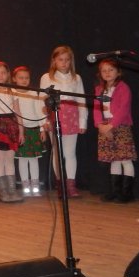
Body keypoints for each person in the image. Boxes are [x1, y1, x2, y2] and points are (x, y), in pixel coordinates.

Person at [40, 45, 88, 199]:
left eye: (67, 60)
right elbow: (41, 101)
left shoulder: (76, 78)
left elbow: (81, 100)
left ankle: (71, 185)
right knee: (57, 152)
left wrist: (83, 122)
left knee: (70, 153)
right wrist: (44, 121)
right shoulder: (46, 77)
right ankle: (60, 184)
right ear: (54, 60)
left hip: (72, 116)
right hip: (54, 115)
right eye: (60, 59)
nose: (64, 63)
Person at [93, 58, 138, 203]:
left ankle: (127, 193)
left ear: (118, 72)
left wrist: (111, 126)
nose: (107, 73)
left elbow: (123, 109)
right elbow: (96, 109)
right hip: (104, 127)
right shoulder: (99, 89)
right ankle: (115, 191)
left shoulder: (123, 88)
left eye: (111, 70)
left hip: (120, 126)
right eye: (104, 70)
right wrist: (100, 125)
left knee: (125, 159)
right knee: (113, 159)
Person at [0, 61, 23, 203]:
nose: (0, 76)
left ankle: (12, 190)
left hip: (11, 126)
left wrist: (21, 131)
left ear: (8, 74)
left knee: (10, 159)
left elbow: (18, 111)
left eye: (3, 73)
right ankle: (2, 192)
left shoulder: (12, 90)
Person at [12, 66, 46, 197]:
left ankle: (35, 186)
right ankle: (25, 185)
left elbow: (39, 111)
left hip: (34, 130)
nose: (24, 80)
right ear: (14, 79)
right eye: (21, 78)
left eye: (26, 78)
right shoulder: (13, 93)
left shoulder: (33, 93)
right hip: (22, 131)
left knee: (34, 159)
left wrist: (42, 129)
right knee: (22, 159)